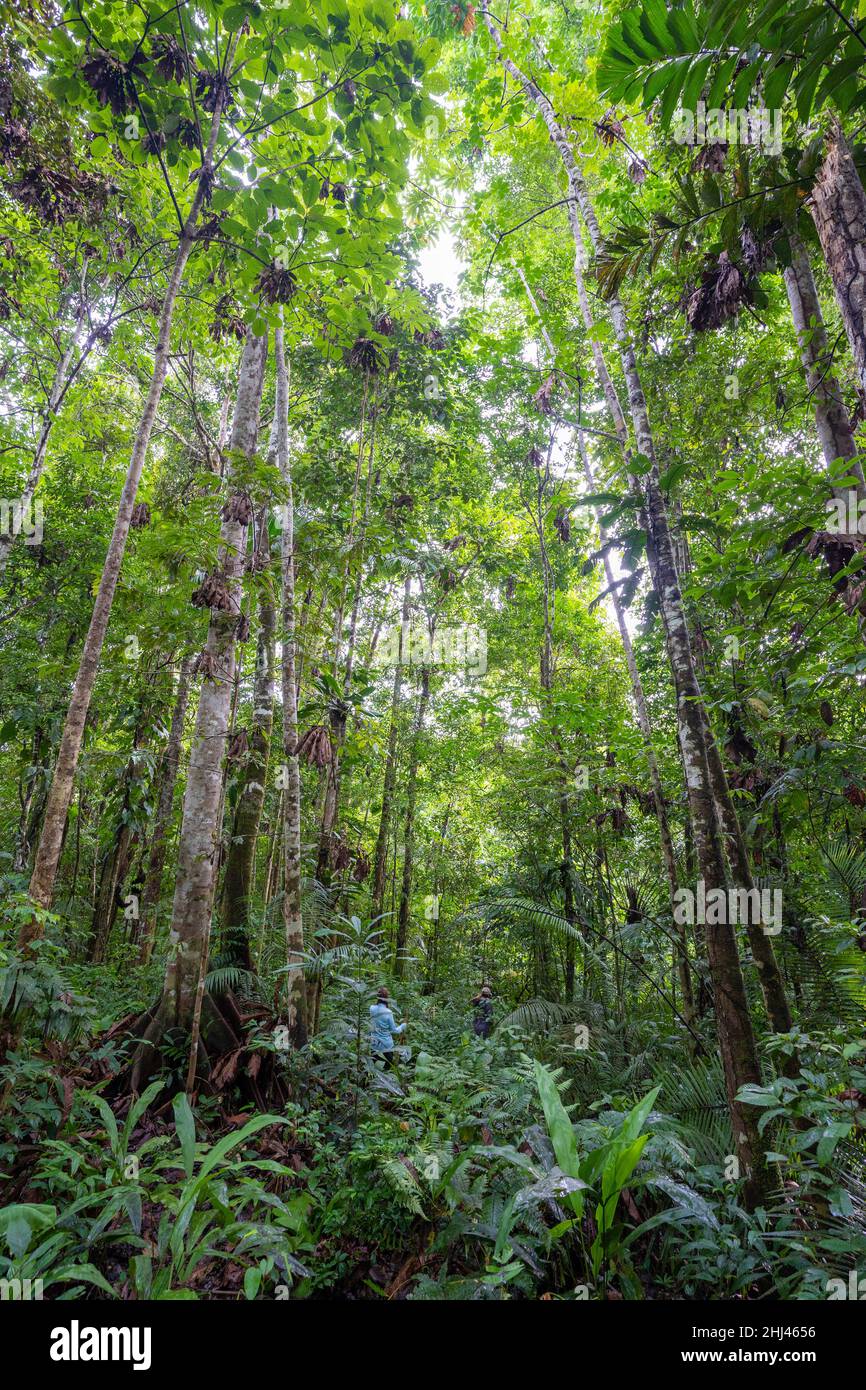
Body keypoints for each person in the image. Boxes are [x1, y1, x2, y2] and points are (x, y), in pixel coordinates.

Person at [370, 986, 405, 1068]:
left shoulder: (371, 1008)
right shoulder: (388, 1012)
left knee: (376, 1069)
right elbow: (394, 1030)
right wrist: (403, 1026)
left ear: (377, 997)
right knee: (387, 1070)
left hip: (374, 1045)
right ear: (387, 998)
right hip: (386, 1046)